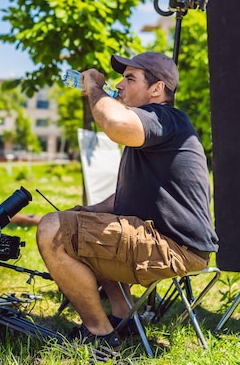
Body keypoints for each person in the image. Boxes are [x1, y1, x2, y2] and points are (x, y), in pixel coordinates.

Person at [36, 51, 219, 349]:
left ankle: (100, 334)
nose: (119, 85)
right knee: (89, 223)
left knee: (50, 230)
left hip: (173, 248)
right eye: (121, 78)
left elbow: (113, 123)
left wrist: (94, 85)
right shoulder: (158, 129)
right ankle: (123, 319)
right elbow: (129, 195)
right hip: (169, 243)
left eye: (129, 78)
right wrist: (90, 211)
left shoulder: (163, 119)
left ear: (157, 89)